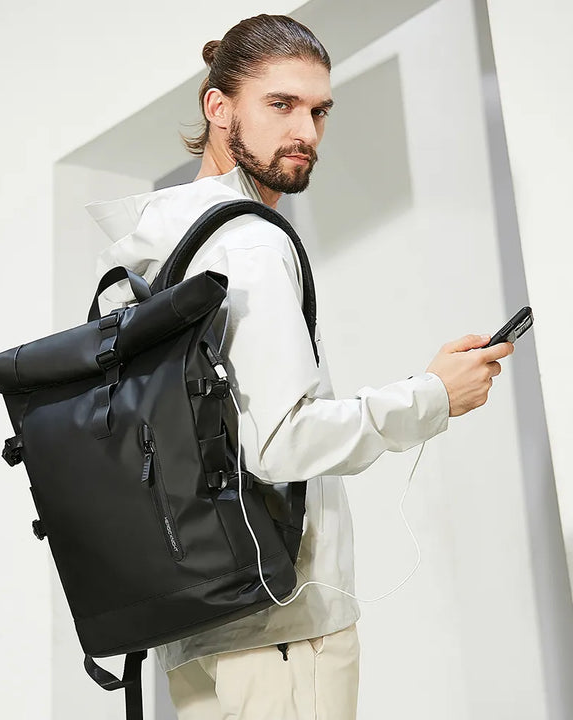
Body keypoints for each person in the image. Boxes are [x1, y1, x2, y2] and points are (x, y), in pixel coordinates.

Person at [85, 14, 514, 720]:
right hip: (281, 625)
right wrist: (432, 395)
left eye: (319, 111)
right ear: (218, 108)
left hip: (196, 623)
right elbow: (281, 443)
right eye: (280, 105)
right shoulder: (248, 242)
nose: (307, 133)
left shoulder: (151, 251)